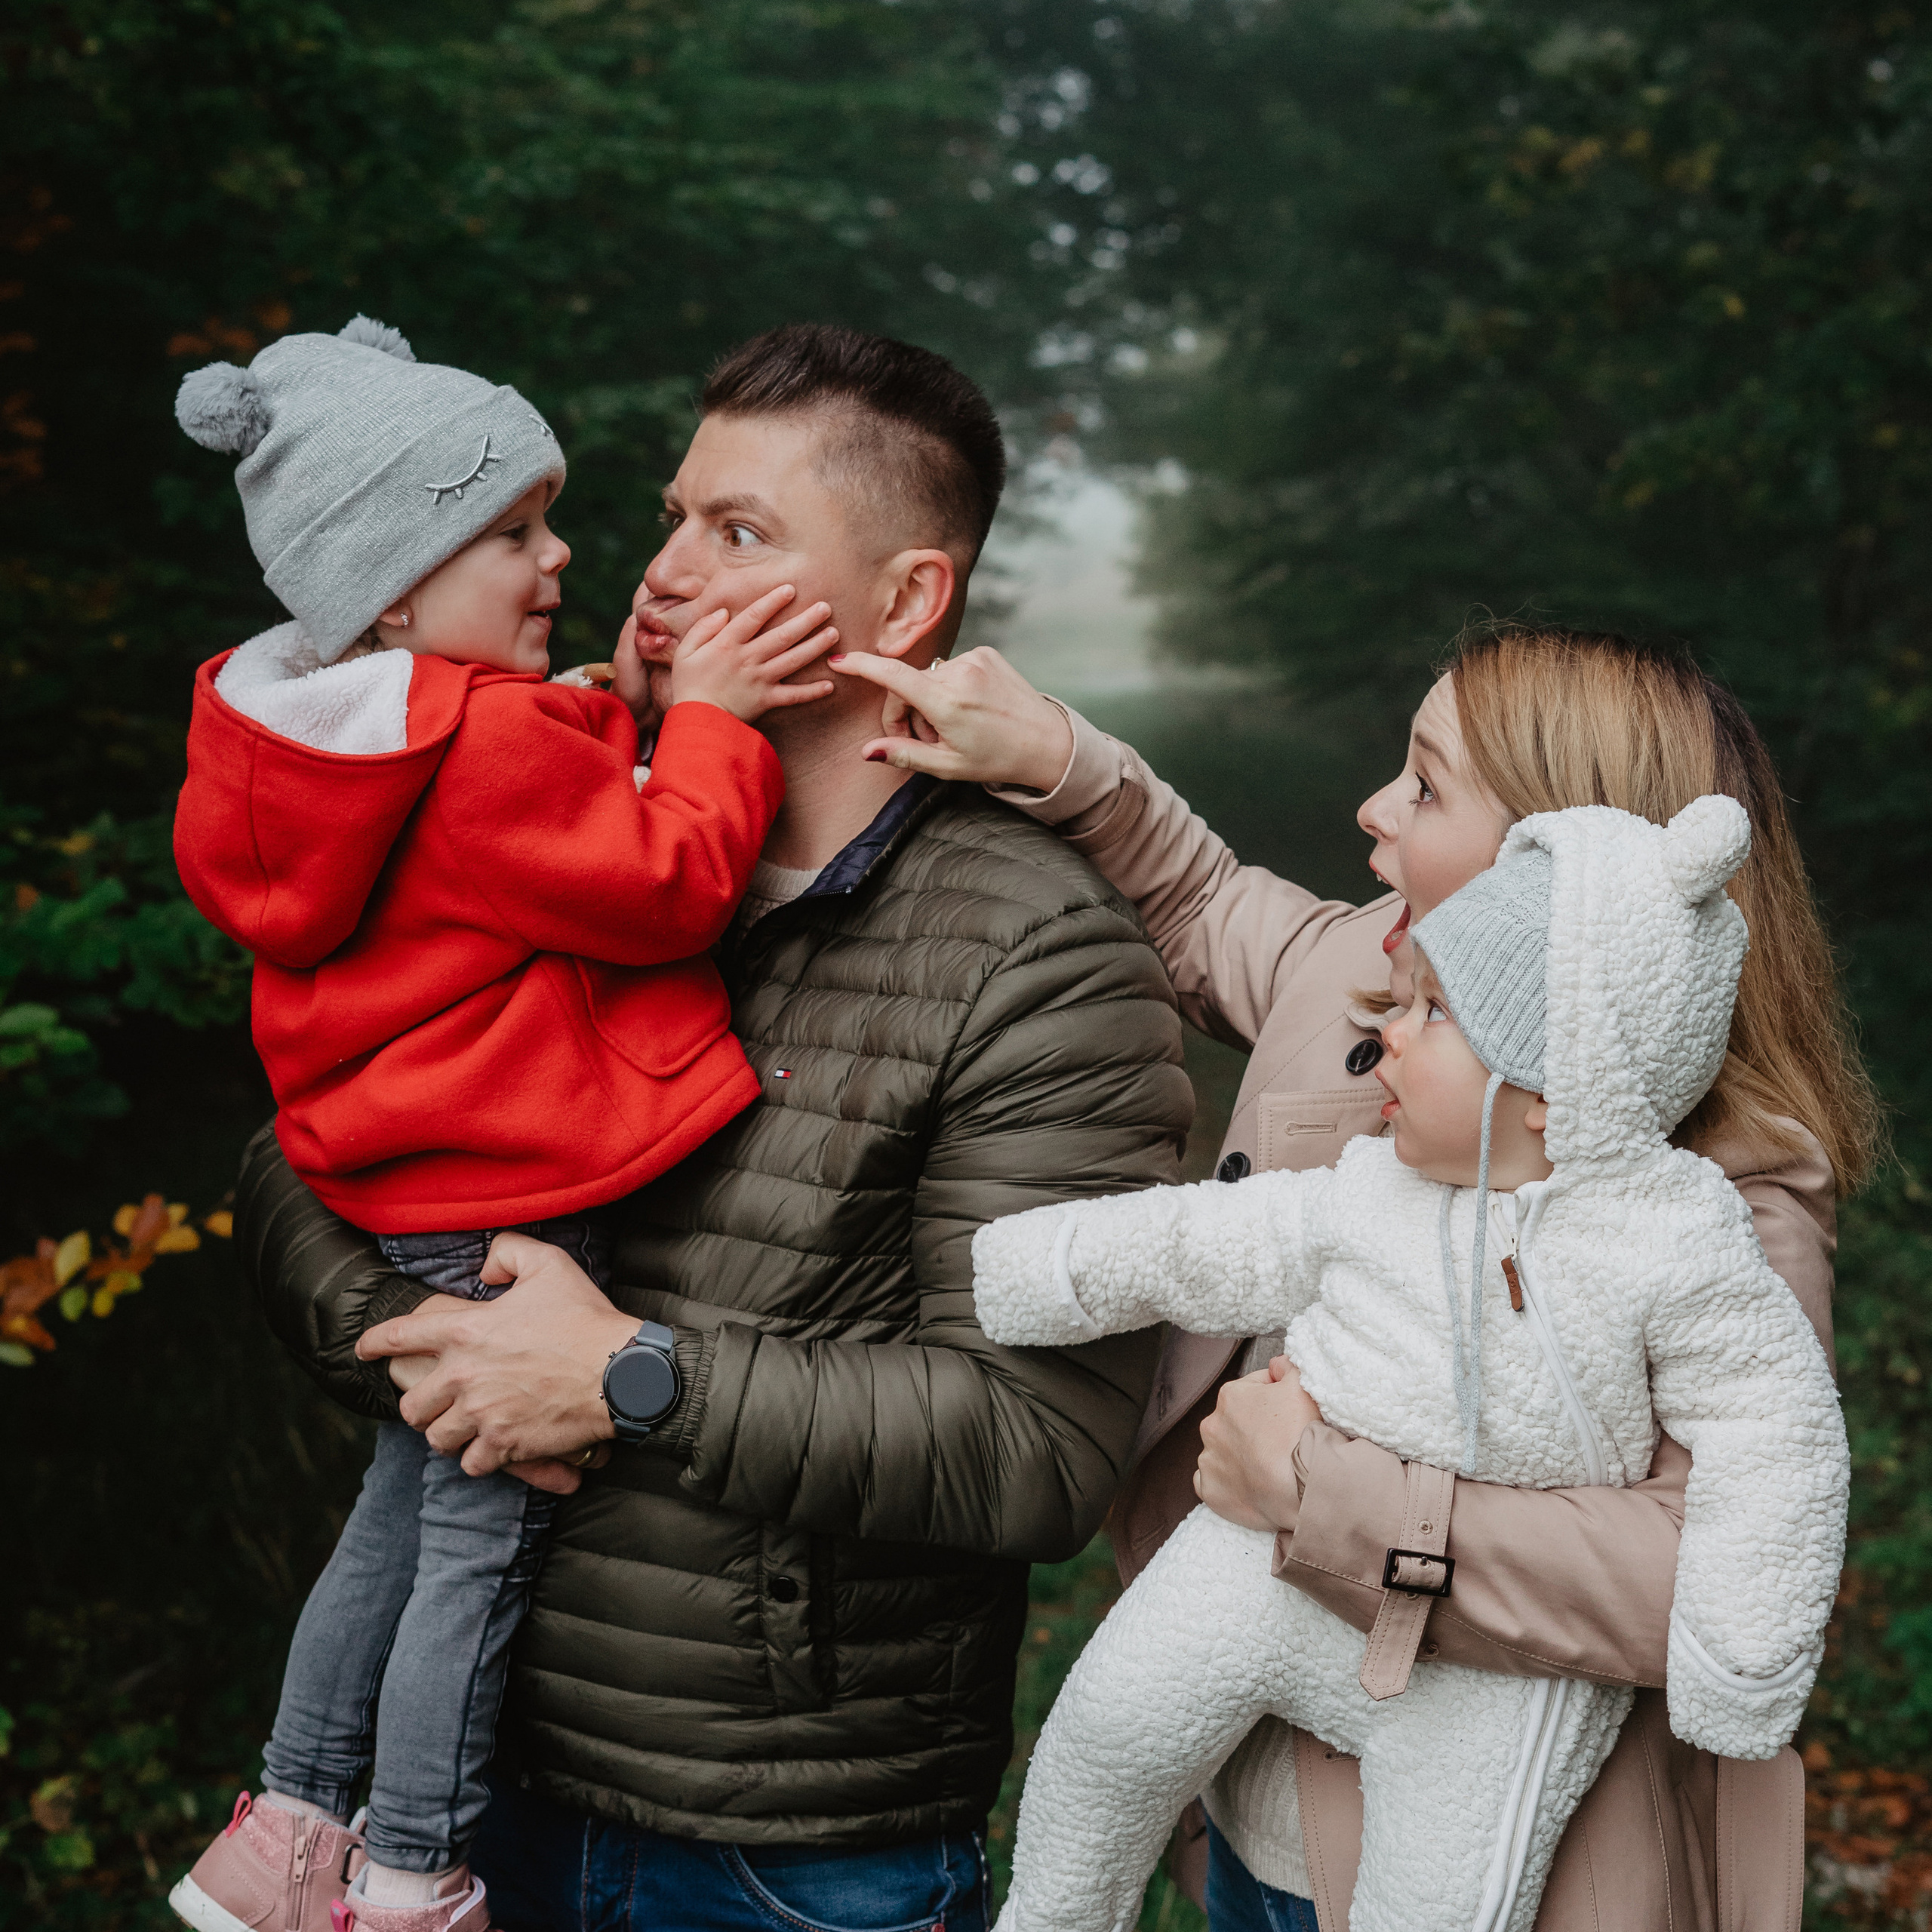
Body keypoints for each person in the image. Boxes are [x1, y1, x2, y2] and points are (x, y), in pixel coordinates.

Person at [228, 323, 1195, 1932]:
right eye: (673, 515)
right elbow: (304, 1149)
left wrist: (623, 1377)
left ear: (902, 604)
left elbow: (1034, 1449)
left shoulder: (1037, 951)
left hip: (783, 1852)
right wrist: (440, 1329)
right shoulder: (530, 805)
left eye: (737, 534)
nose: (659, 571)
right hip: (467, 1786)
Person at [834, 626, 1881, 1930]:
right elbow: (1204, 899)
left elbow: (1703, 1563)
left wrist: (1319, 1497)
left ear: (1568, 853)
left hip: (1524, 1869)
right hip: (1256, 1802)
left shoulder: (1718, 1185)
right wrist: (1058, 755)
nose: (1373, 808)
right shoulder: (1359, 978)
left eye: (1427, 786)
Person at [168, 316, 842, 1932]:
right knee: (478, 1542)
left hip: (406, 1181)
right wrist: (718, 720)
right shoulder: (482, 741)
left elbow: (514, 847)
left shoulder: (342, 738)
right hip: (506, 1195)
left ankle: (283, 1827)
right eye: (514, 534)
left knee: (390, 1519)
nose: (561, 558)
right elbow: (666, 879)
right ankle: (411, 1868)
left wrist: (608, 706)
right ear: (393, 585)